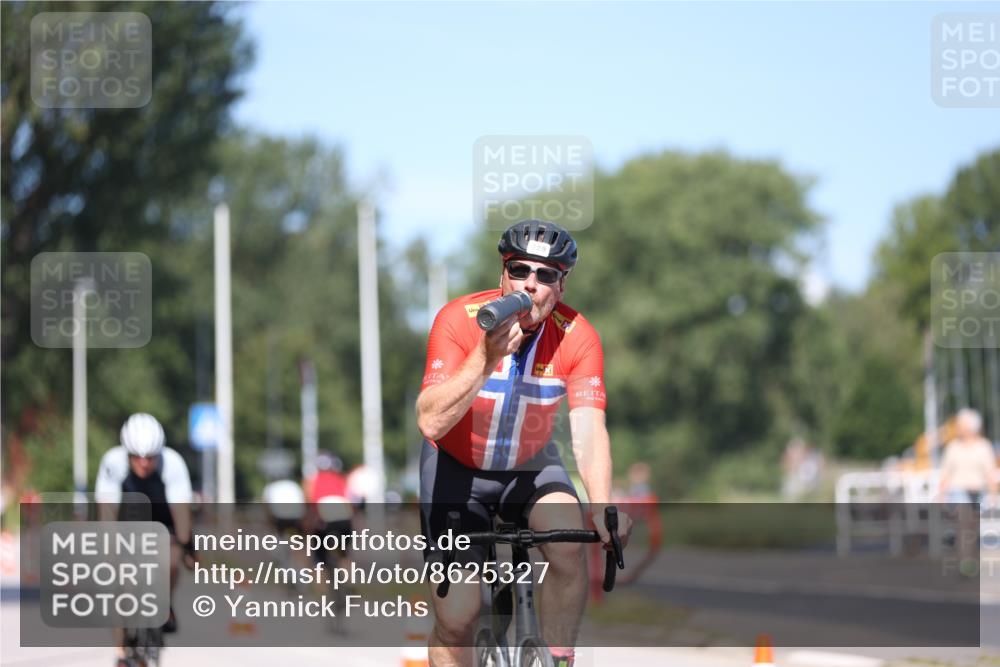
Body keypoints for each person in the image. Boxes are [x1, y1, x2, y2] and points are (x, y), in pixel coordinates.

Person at [416, 219, 632, 667]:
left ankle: (556, 658)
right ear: (503, 274)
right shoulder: (458, 320)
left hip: (530, 464)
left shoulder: (578, 337)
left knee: (569, 540)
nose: (530, 285)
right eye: (520, 270)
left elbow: (589, 430)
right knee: (458, 616)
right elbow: (431, 422)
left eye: (546, 275)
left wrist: (603, 506)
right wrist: (486, 355)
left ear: (562, 285)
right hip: (456, 465)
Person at [94, 413, 195, 667]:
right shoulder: (112, 462)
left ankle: (166, 603)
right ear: (126, 453)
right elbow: (107, 513)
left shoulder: (173, 464)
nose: (144, 463)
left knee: (172, 560)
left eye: (150, 457)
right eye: (137, 457)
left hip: (162, 523)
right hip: (125, 523)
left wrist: (187, 546)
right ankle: (120, 651)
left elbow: (182, 513)